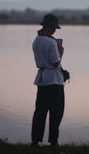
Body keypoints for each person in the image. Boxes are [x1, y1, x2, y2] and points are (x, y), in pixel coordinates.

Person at [31, 14, 65, 147]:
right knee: (56, 112)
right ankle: (54, 141)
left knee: (40, 111)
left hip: (42, 79)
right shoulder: (51, 42)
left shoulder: (37, 40)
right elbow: (56, 62)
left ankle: (35, 140)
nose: (55, 30)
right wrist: (61, 52)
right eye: (54, 28)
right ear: (50, 27)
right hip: (54, 81)